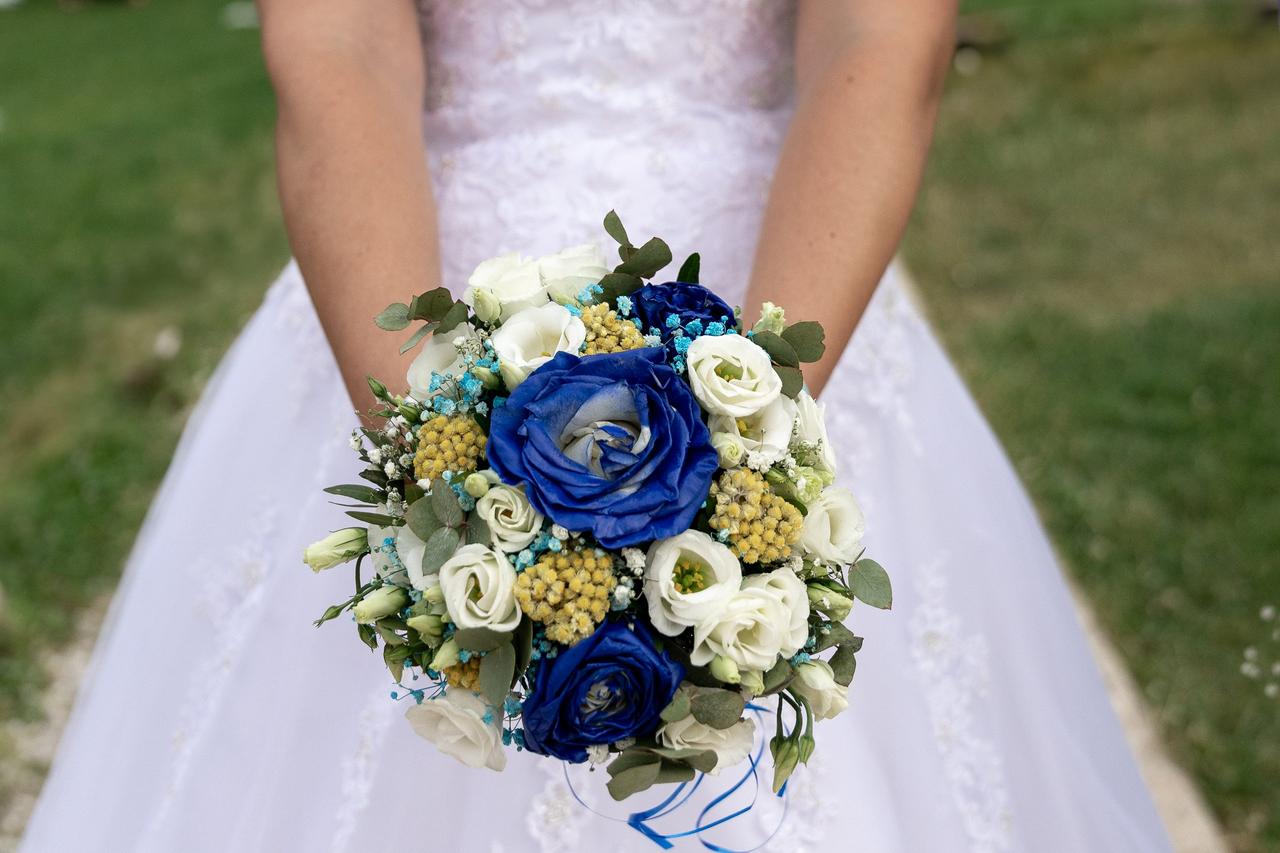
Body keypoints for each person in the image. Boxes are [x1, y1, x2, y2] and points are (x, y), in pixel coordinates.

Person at [20, 2, 1171, 851]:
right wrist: (437, 447)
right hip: (430, 289)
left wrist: (756, 416)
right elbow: (339, 44)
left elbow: (879, 40)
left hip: (779, 283)